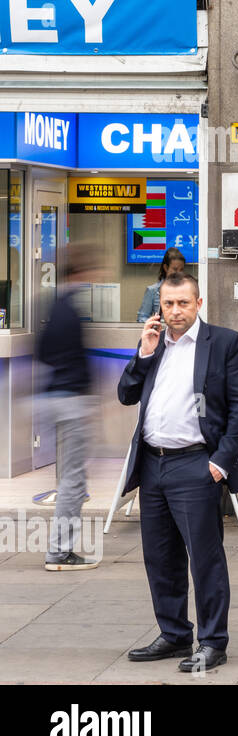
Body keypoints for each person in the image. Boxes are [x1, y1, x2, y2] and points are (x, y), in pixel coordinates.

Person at [118, 272, 238, 673]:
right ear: (159, 305)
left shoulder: (225, 343)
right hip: (153, 464)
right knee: (160, 558)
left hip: (196, 464)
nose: (175, 311)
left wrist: (219, 463)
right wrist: (143, 353)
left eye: (183, 303)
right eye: (168, 304)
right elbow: (126, 394)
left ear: (199, 303)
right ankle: (174, 634)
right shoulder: (153, 344)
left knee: (205, 559)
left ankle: (213, 641)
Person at [35, 243, 99, 571]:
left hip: (53, 397)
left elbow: (42, 352)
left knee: (71, 476)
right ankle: (60, 552)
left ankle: (60, 549)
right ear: (80, 273)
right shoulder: (71, 310)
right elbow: (78, 358)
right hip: (71, 401)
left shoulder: (53, 304)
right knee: (73, 480)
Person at [136, 248, 186, 323]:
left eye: (181, 270)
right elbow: (141, 318)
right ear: (166, 268)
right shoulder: (153, 290)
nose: (178, 273)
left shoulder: (186, 290)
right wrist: (157, 323)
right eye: (175, 269)